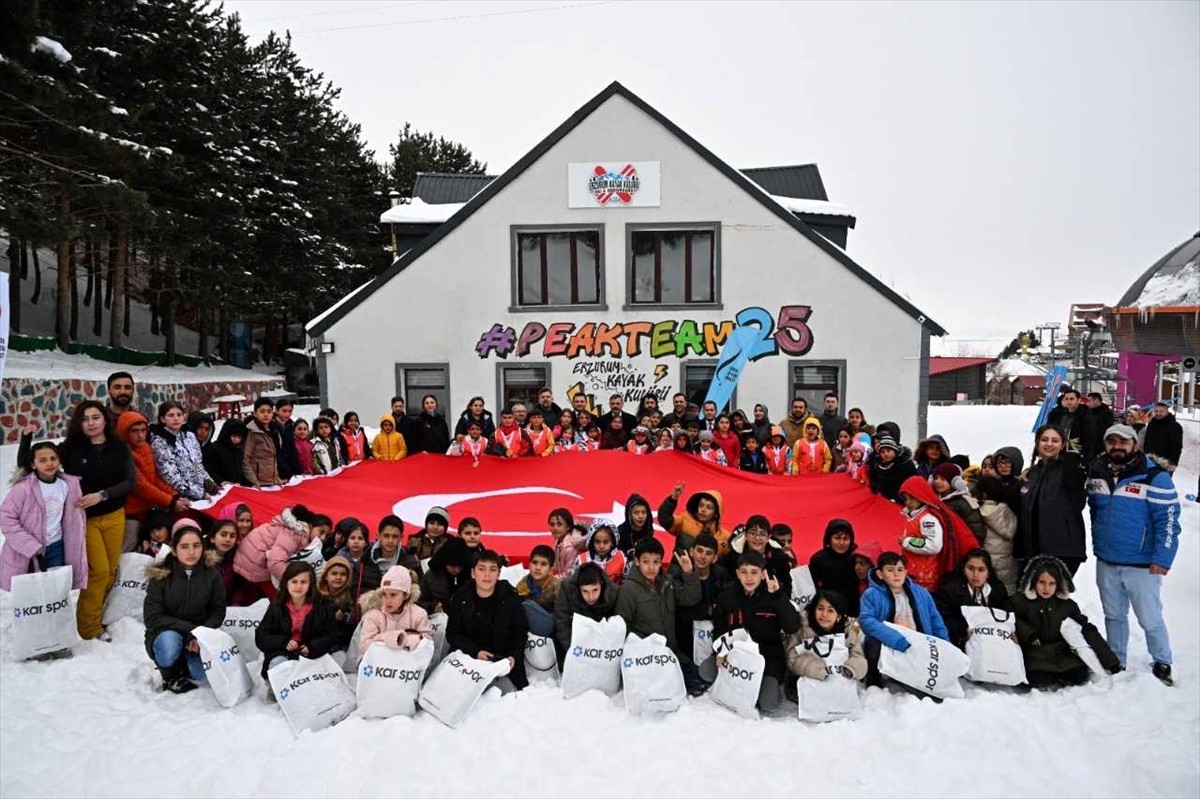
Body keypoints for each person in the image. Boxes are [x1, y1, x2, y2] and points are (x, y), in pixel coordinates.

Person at [1087, 423, 1181, 685]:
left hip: (1142, 563)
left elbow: (1169, 521)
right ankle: (1117, 659)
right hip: (1107, 560)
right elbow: (1095, 512)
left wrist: (1162, 558)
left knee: (1149, 617)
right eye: (1111, 441)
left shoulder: (1154, 477)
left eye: (1123, 442)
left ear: (1135, 445)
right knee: (1114, 615)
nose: (1117, 446)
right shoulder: (1096, 473)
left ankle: (1162, 660)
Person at [59, 400, 134, 642]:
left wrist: (101, 495)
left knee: (111, 571)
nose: (90, 423)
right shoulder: (71, 448)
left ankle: (97, 615)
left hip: (114, 515)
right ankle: (88, 628)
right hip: (85, 520)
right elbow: (33, 462)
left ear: (104, 420)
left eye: (95, 417)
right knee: (98, 572)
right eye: (85, 419)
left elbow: (129, 482)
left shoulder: (118, 447)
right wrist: (27, 438)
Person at [0, 442, 89, 640]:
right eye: (42, 460)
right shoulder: (23, 489)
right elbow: (6, 519)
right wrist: (29, 546)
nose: (49, 463)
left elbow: (75, 518)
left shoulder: (68, 485)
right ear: (33, 464)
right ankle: (34, 639)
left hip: (57, 547)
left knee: (55, 594)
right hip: (28, 553)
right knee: (32, 597)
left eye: (53, 459)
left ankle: (56, 639)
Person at [711, 549, 801, 711]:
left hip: (768, 657)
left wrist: (778, 597)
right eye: (744, 572)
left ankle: (766, 687)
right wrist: (720, 651)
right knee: (706, 671)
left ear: (763, 574)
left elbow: (792, 626)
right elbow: (719, 628)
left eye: (754, 572)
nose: (749, 577)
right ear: (737, 574)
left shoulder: (774, 596)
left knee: (768, 704)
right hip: (735, 655)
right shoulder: (727, 597)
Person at [1012, 555, 1121, 688]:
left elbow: (1087, 630)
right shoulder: (1021, 602)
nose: (1046, 588)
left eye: (1052, 583)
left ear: (1059, 584)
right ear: (1034, 582)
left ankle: (1058, 676)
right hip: (1034, 654)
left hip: (1061, 654)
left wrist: (1110, 661)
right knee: (1036, 680)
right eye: (1042, 582)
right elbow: (1009, 618)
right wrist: (1028, 633)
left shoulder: (1068, 606)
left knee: (1079, 676)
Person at [143, 521, 227, 693]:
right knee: (169, 645)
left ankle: (182, 665)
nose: (191, 552)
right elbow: (153, 617)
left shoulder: (212, 575)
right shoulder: (161, 575)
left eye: (196, 546)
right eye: (184, 547)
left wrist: (200, 635)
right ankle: (169, 674)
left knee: (202, 674)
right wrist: (191, 630)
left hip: (197, 637)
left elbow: (218, 611)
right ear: (174, 550)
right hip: (165, 634)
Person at [858, 552, 950, 686]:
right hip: (889, 643)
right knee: (872, 642)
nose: (896, 574)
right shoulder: (871, 594)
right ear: (880, 574)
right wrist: (896, 639)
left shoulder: (921, 593)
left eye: (900, 570)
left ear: (906, 572)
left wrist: (946, 647)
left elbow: (936, 621)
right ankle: (875, 681)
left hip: (919, 644)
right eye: (890, 570)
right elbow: (866, 621)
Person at [446, 549, 528, 693]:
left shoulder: (510, 597)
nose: (487, 575)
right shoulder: (461, 598)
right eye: (481, 569)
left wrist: (513, 655)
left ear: (499, 574)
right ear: (473, 573)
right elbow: (453, 634)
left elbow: (520, 631)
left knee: (503, 695)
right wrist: (475, 652)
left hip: (501, 660)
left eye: (492, 569)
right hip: (470, 659)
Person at [256, 561, 343, 690]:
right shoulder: (277, 606)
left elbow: (332, 636)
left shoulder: (322, 606)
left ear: (311, 584)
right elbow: (261, 636)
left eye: (303, 582)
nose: (298, 586)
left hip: (311, 654)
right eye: (294, 581)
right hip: (282, 652)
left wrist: (312, 647)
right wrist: (283, 642)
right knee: (278, 664)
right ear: (286, 582)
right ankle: (277, 690)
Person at [1016, 424, 1087, 576]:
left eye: (1055, 440)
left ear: (1062, 445)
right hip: (1033, 549)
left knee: (1053, 596)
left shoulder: (1069, 470)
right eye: (1044, 440)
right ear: (1037, 443)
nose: (1049, 444)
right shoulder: (1031, 474)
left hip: (1063, 549)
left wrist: (1073, 466)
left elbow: (1078, 502)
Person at [615, 537, 701, 658]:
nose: (651, 567)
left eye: (656, 562)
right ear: (637, 561)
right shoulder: (628, 589)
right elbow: (622, 628)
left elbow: (691, 598)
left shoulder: (667, 582)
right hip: (644, 656)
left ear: (661, 562)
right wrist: (645, 645)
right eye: (646, 562)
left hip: (671, 652)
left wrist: (688, 573)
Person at [116, 411, 188, 552]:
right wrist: (170, 501)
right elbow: (140, 486)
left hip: (149, 508)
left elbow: (154, 478)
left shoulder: (146, 447)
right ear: (125, 432)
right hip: (132, 513)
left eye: (143, 430)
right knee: (127, 550)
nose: (140, 435)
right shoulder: (123, 452)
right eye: (135, 431)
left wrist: (174, 495)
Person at [670, 532, 732, 695]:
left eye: (708, 553)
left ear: (715, 557)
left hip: (713, 641)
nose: (703, 556)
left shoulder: (722, 576)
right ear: (691, 551)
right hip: (684, 641)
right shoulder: (677, 574)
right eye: (699, 550)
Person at [233, 505, 331, 600]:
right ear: (310, 526)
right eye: (321, 532)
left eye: (326, 535)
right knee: (281, 600)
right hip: (254, 564)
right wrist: (292, 582)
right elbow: (275, 562)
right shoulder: (294, 534)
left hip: (251, 561)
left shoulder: (299, 533)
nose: (322, 538)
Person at [934, 549, 1014, 649]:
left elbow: (1008, 614)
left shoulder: (997, 589)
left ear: (988, 572)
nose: (975, 575)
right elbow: (941, 619)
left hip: (993, 644)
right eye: (971, 568)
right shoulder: (949, 591)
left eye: (981, 570)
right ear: (964, 569)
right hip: (960, 645)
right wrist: (963, 629)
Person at [786, 590, 868, 684]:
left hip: (839, 680)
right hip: (808, 679)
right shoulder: (803, 625)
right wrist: (816, 669)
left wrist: (851, 669)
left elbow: (858, 656)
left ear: (839, 616)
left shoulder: (848, 629)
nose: (824, 614)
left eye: (830, 610)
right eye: (820, 608)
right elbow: (791, 658)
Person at [150, 401, 218, 501]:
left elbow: (198, 464)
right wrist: (200, 494)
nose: (176, 418)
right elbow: (171, 477)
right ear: (162, 419)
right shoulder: (160, 442)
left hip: (201, 492)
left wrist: (209, 482)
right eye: (171, 415)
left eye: (179, 415)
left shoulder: (189, 435)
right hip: (180, 498)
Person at [358, 565, 433, 654]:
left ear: (406, 595)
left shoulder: (419, 614)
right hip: (378, 664)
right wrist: (388, 638)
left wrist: (411, 640)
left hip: (408, 664)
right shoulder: (373, 615)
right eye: (384, 594)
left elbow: (427, 641)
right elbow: (364, 646)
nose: (388, 600)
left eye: (393, 595)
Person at [554, 561, 620, 654]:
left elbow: (618, 626)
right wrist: (573, 652)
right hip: (575, 642)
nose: (591, 597)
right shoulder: (567, 589)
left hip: (605, 646)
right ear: (578, 588)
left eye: (595, 590)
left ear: (601, 584)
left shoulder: (613, 592)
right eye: (585, 591)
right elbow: (562, 622)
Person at [718, 516, 793, 596]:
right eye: (753, 533)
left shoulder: (779, 557)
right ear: (746, 535)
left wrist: (777, 591)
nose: (757, 538)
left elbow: (787, 587)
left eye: (762, 534)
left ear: (768, 537)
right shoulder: (733, 557)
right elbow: (725, 585)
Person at [974, 476, 1019, 594]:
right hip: (1007, 559)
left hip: (987, 558)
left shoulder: (977, 511)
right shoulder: (1007, 511)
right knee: (1007, 589)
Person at [658, 482, 730, 555]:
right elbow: (664, 520)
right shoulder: (684, 521)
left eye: (709, 507)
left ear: (716, 513)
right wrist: (673, 499)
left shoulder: (724, 537)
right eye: (701, 505)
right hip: (679, 566)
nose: (703, 509)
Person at [807, 519, 861, 615]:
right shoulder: (818, 559)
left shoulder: (857, 557)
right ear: (829, 539)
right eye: (837, 538)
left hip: (854, 611)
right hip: (827, 610)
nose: (841, 543)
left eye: (845, 539)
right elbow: (811, 588)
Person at [205, 519, 259, 607]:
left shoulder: (239, 561)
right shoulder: (199, 560)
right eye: (223, 535)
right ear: (212, 538)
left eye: (232, 536)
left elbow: (241, 588)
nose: (228, 539)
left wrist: (236, 603)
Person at [930, 463, 986, 544]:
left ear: (955, 482)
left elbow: (977, 531)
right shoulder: (933, 500)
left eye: (943, 479)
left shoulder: (964, 502)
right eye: (935, 478)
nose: (937, 482)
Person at [418, 535, 471, 614]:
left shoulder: (472, 575)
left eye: (460, 566)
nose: (457, 570)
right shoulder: (431, 576)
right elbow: (419, 601)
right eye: (453, 566)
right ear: (445, 562)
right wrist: (432, 607)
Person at [334, 519, 383, 605]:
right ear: (347, 542)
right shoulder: (339, 560)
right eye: (352, 538)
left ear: (365, 542)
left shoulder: (374, 558)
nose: (356, 541)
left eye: (360, 538)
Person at [515, 544, 560, 636]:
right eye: (534, 562)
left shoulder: (556, 586)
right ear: (529, 564)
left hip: (551, 628)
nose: (538, 568)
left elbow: (561, 615)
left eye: (543, 564)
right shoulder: (523, 584)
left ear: (551, 569)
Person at [318, 556, 357, 651]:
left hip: (340, 642)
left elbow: (354, 619)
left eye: (343, 574)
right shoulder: (317, 594)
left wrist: (343, 617)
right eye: (334, 574)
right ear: (326, 576)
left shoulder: (350, 595)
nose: (338, 577)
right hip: (319, 638)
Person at [242, 398, 283, 487]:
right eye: (262, 411)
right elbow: (245, 460)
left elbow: (273, 457)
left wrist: (277, 478)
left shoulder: (275, 432)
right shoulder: (252, 432)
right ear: (255, 414)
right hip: (258, 483)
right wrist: (254, 482)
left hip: (272, 482)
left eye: (269, 411)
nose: (266, 414)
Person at [868, 434, 917, 503]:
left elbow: (913, 485)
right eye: (882, 452)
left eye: (888, 450)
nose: (885, 454)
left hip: (903, 502)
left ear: (895, 451)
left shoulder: (906, 465)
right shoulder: (879, 467)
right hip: (885, 502)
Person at [1142, 401, 1184, 473]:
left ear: (1167, 411)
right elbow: (1147, 440)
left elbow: (1177, 446)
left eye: (1161, 411)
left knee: (1162, 483)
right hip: (1149, 460)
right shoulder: (1151, 424)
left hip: (1165, 463)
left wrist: (1173, 462)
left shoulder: (1175, 426)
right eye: (1156, 411)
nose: (1158, 413)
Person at [205, 418, 248, 485]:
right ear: (227, 434)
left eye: (239, 438)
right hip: (220, 488)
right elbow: (209, 471)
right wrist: (220, 481)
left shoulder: (238, 451)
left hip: (236, 487)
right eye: (234, 436)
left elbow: (240, 472)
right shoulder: (214, 449)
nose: (236, 440)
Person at [546, 508, 586, 577]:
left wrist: (550, 579)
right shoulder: (558, 541)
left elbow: (569, 574)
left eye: (559, 524)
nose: (555, 528)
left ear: (568, 527)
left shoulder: (569, 547)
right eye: (552, 524)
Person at [274, 399, 300, 479]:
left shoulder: (290, 425)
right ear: (277, 410)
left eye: (290, 411)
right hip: (276, 467)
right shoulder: (272, 426)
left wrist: (297, 470)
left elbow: (292, 449)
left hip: (288, 463)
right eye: (284, 411)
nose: (287, 414)